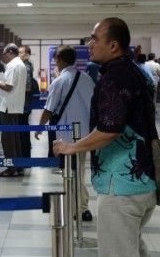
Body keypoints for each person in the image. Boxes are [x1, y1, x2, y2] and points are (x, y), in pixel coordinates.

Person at [53, 18, 157, 257]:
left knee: (117, 252)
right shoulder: (134, 72)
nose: (89, 44)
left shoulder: (115, 78)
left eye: (95, 39)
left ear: (113, 45)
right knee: (133, 247)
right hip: (141, 182)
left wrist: (72, 147)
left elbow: (110, 129)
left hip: (121, 186)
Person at [35, 45, 94, 222]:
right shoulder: (86, 79)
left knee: (70, 172)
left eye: (56, 60)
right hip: (85, 134)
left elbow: (49, 109)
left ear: (60, 60)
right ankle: (81, 206)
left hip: (66, 136)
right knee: (79, 170)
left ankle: (79, 208)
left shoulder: (60, 81)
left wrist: (39, 127)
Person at [0, 43, 27, 177]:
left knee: (7, 138)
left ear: (11, 52)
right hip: (15, 105)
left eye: (4, 53)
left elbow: (8, 86)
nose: (3, 56)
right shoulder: (20, 64)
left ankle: (11, 168)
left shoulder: (12, 65)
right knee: (15, 138)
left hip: (7, 106)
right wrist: (0, 76)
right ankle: (18, 166)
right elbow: (12, 83)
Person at [18, 45, 34, 162]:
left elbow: (27, 87)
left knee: (23, 133)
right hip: (22, 104)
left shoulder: (26, 67)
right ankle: (24, 157)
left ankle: (25, 158)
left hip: (23, 104)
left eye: (21, 53)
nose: (19, 55)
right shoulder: (23, 65)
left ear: (27, 55)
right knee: (22, 132)